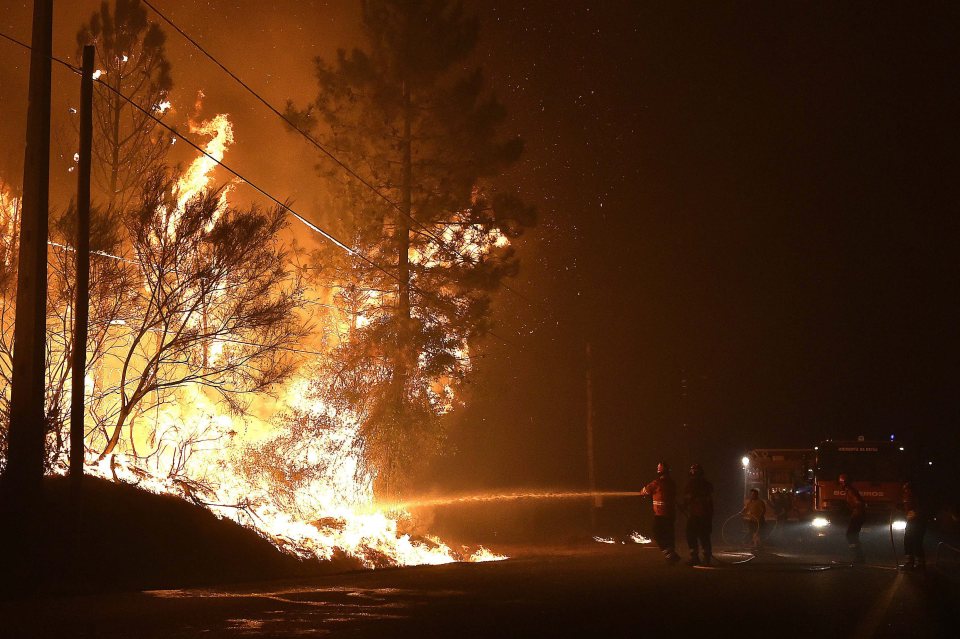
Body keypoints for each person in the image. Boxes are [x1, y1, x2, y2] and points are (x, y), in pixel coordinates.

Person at [640, 462, 680, 563]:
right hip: (671, 514)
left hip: (660, 515)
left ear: (659, 471)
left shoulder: (656, 483)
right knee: (669, 535)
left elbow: (644, 491)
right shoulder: (672, 483)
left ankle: (669, 554)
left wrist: (644, 493)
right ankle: (672, 555)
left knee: (657, 533)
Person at [682, 463, 714, 565]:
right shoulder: (707, 485)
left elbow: (688, 498)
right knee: (704, 536)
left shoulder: (691, 484)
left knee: (691, 534)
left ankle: (695, 557)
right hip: (706, 515)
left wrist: (684, 506)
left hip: (696, 515)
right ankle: (706, 557)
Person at [839, 473, 866, 563]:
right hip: (858, 514)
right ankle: (859, 556)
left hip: (857, 515)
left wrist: (855, 511)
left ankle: (859, 556)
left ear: (844, 483)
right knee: (853, 535)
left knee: (850, 535)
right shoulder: (850, 490)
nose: (840, 485)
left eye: (841, 482)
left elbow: (859, 503)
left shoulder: (850, 491)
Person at [900, 481, 926, 570]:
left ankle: (920, 564)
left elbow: (922, 507)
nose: (905, 491)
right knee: (907, 541)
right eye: (904, 490)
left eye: (906, 489)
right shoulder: (907, 497)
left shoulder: (917, 497)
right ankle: (909, 562)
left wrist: (916, 513)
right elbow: (905, 506)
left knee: (917, 542)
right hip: (911, 522)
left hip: (918, 522)